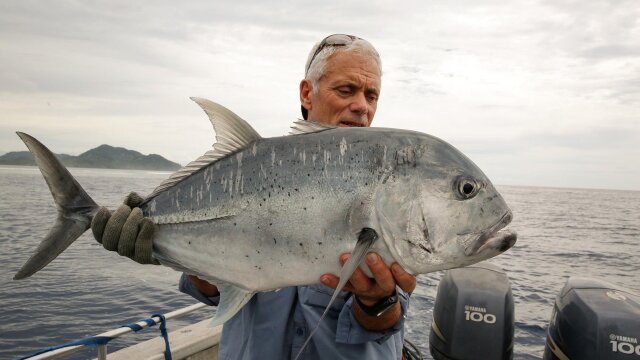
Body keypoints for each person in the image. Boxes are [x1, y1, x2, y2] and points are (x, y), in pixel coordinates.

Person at [92, 34, 417, 360]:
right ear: (307, 93)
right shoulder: (252, 171)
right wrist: (158, 246)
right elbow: (211, 288)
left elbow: (387, 319)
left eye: (371, 95)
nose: (362, 105)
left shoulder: (389, 186)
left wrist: (377, 300)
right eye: (346, 90)